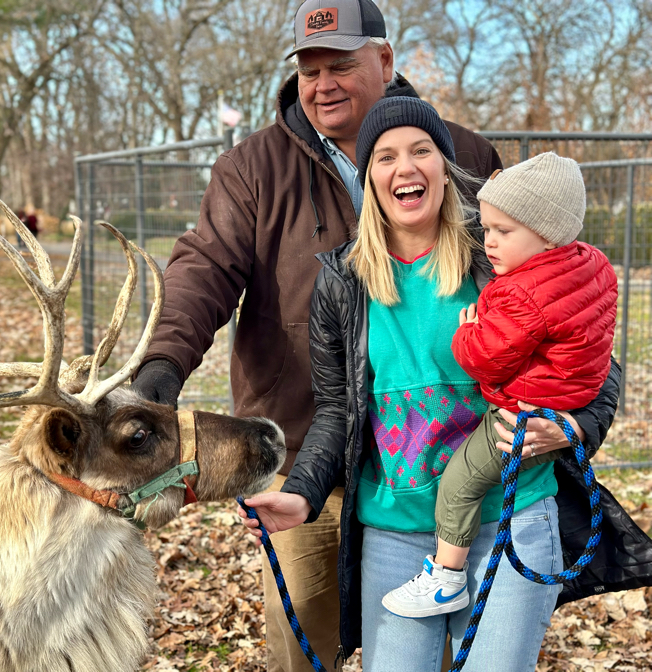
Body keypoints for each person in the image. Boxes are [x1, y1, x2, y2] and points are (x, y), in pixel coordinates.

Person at [130, 0, 628, 669]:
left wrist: (574, 423)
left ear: (385, 61)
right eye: (310, 69)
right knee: (305, 635)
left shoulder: (471, 169)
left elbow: (572, 321)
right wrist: (160, 370)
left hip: (476, 478)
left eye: (341, 64)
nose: (323, 83)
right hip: (314, 449)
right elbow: (202, 270)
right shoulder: (255, 171)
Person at [238, 98, 650, 671]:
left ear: (445, 166)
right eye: (385, 156)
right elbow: (337, 411)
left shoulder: (499, 255)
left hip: (510, 518)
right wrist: (303, 493)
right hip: (396, 532)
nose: (404, 167)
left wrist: (575, 426)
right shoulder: (342, 282)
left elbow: (596, 363)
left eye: (421, 150)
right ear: (370, 178)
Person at [381, 152, 618, 619]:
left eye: (502, 232)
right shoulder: (592, 264)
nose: (488, 242)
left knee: (460, 480)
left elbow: (481, 360)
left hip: (520, 415)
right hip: (567, 401)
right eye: (486, 229)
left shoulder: (522, 290)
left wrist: (468, 328)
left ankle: (446, 578)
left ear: (547, 232)